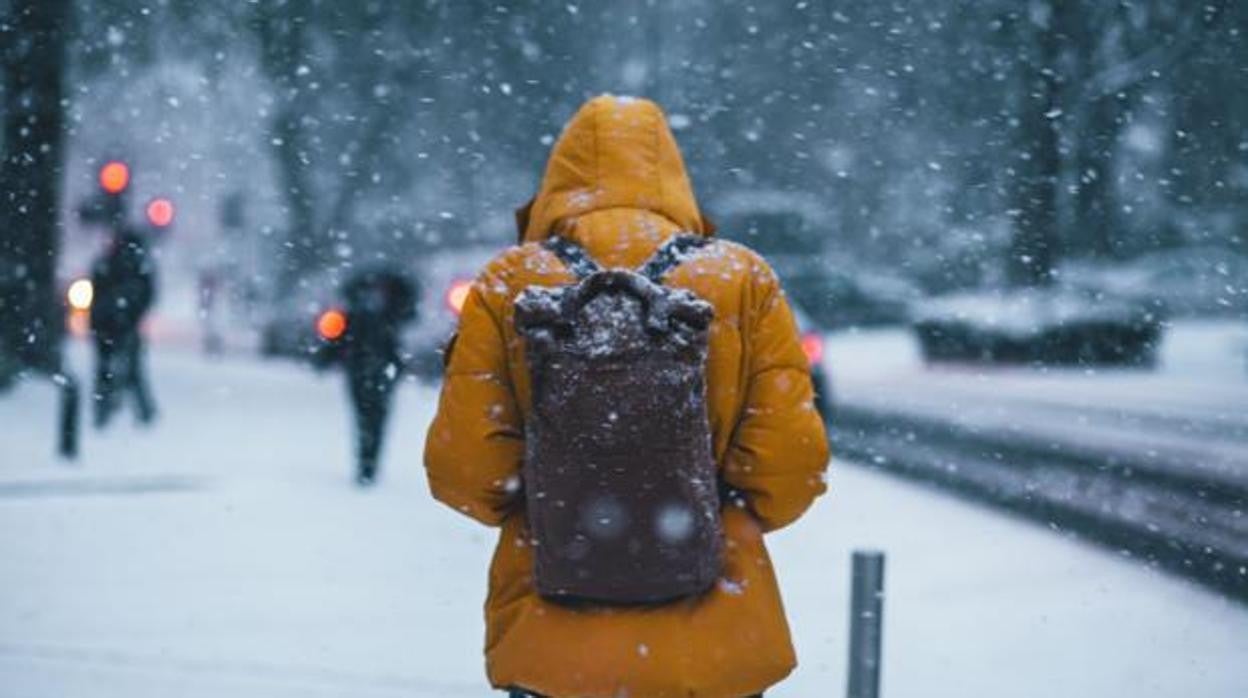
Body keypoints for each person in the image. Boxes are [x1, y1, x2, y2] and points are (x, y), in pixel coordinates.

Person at [425, 95, 830, 698]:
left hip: (551, 650)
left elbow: (463, 473)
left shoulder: (510, 283)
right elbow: (791, 468)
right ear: (672, 176)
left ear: (557, 180)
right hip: (715, 646)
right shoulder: (741, 279)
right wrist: (701, 513)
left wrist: (558, 501)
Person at [320, 267, 417, 485]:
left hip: (366, 370)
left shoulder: (365, 311)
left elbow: (338, 340)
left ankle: (367, 463)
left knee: (367, 418)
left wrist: (327, 358)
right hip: (374, 371)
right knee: (373, 418)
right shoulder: (386, 312)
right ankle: (368, 463)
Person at [89, 228, 157, 428]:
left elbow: (97, 288)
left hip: (106, 324)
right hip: (123, 324)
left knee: (105, 369)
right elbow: (147, 296)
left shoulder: (108, 262)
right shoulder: (139, 266)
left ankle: (103, 412)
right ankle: (143, 412)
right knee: (133, 370)